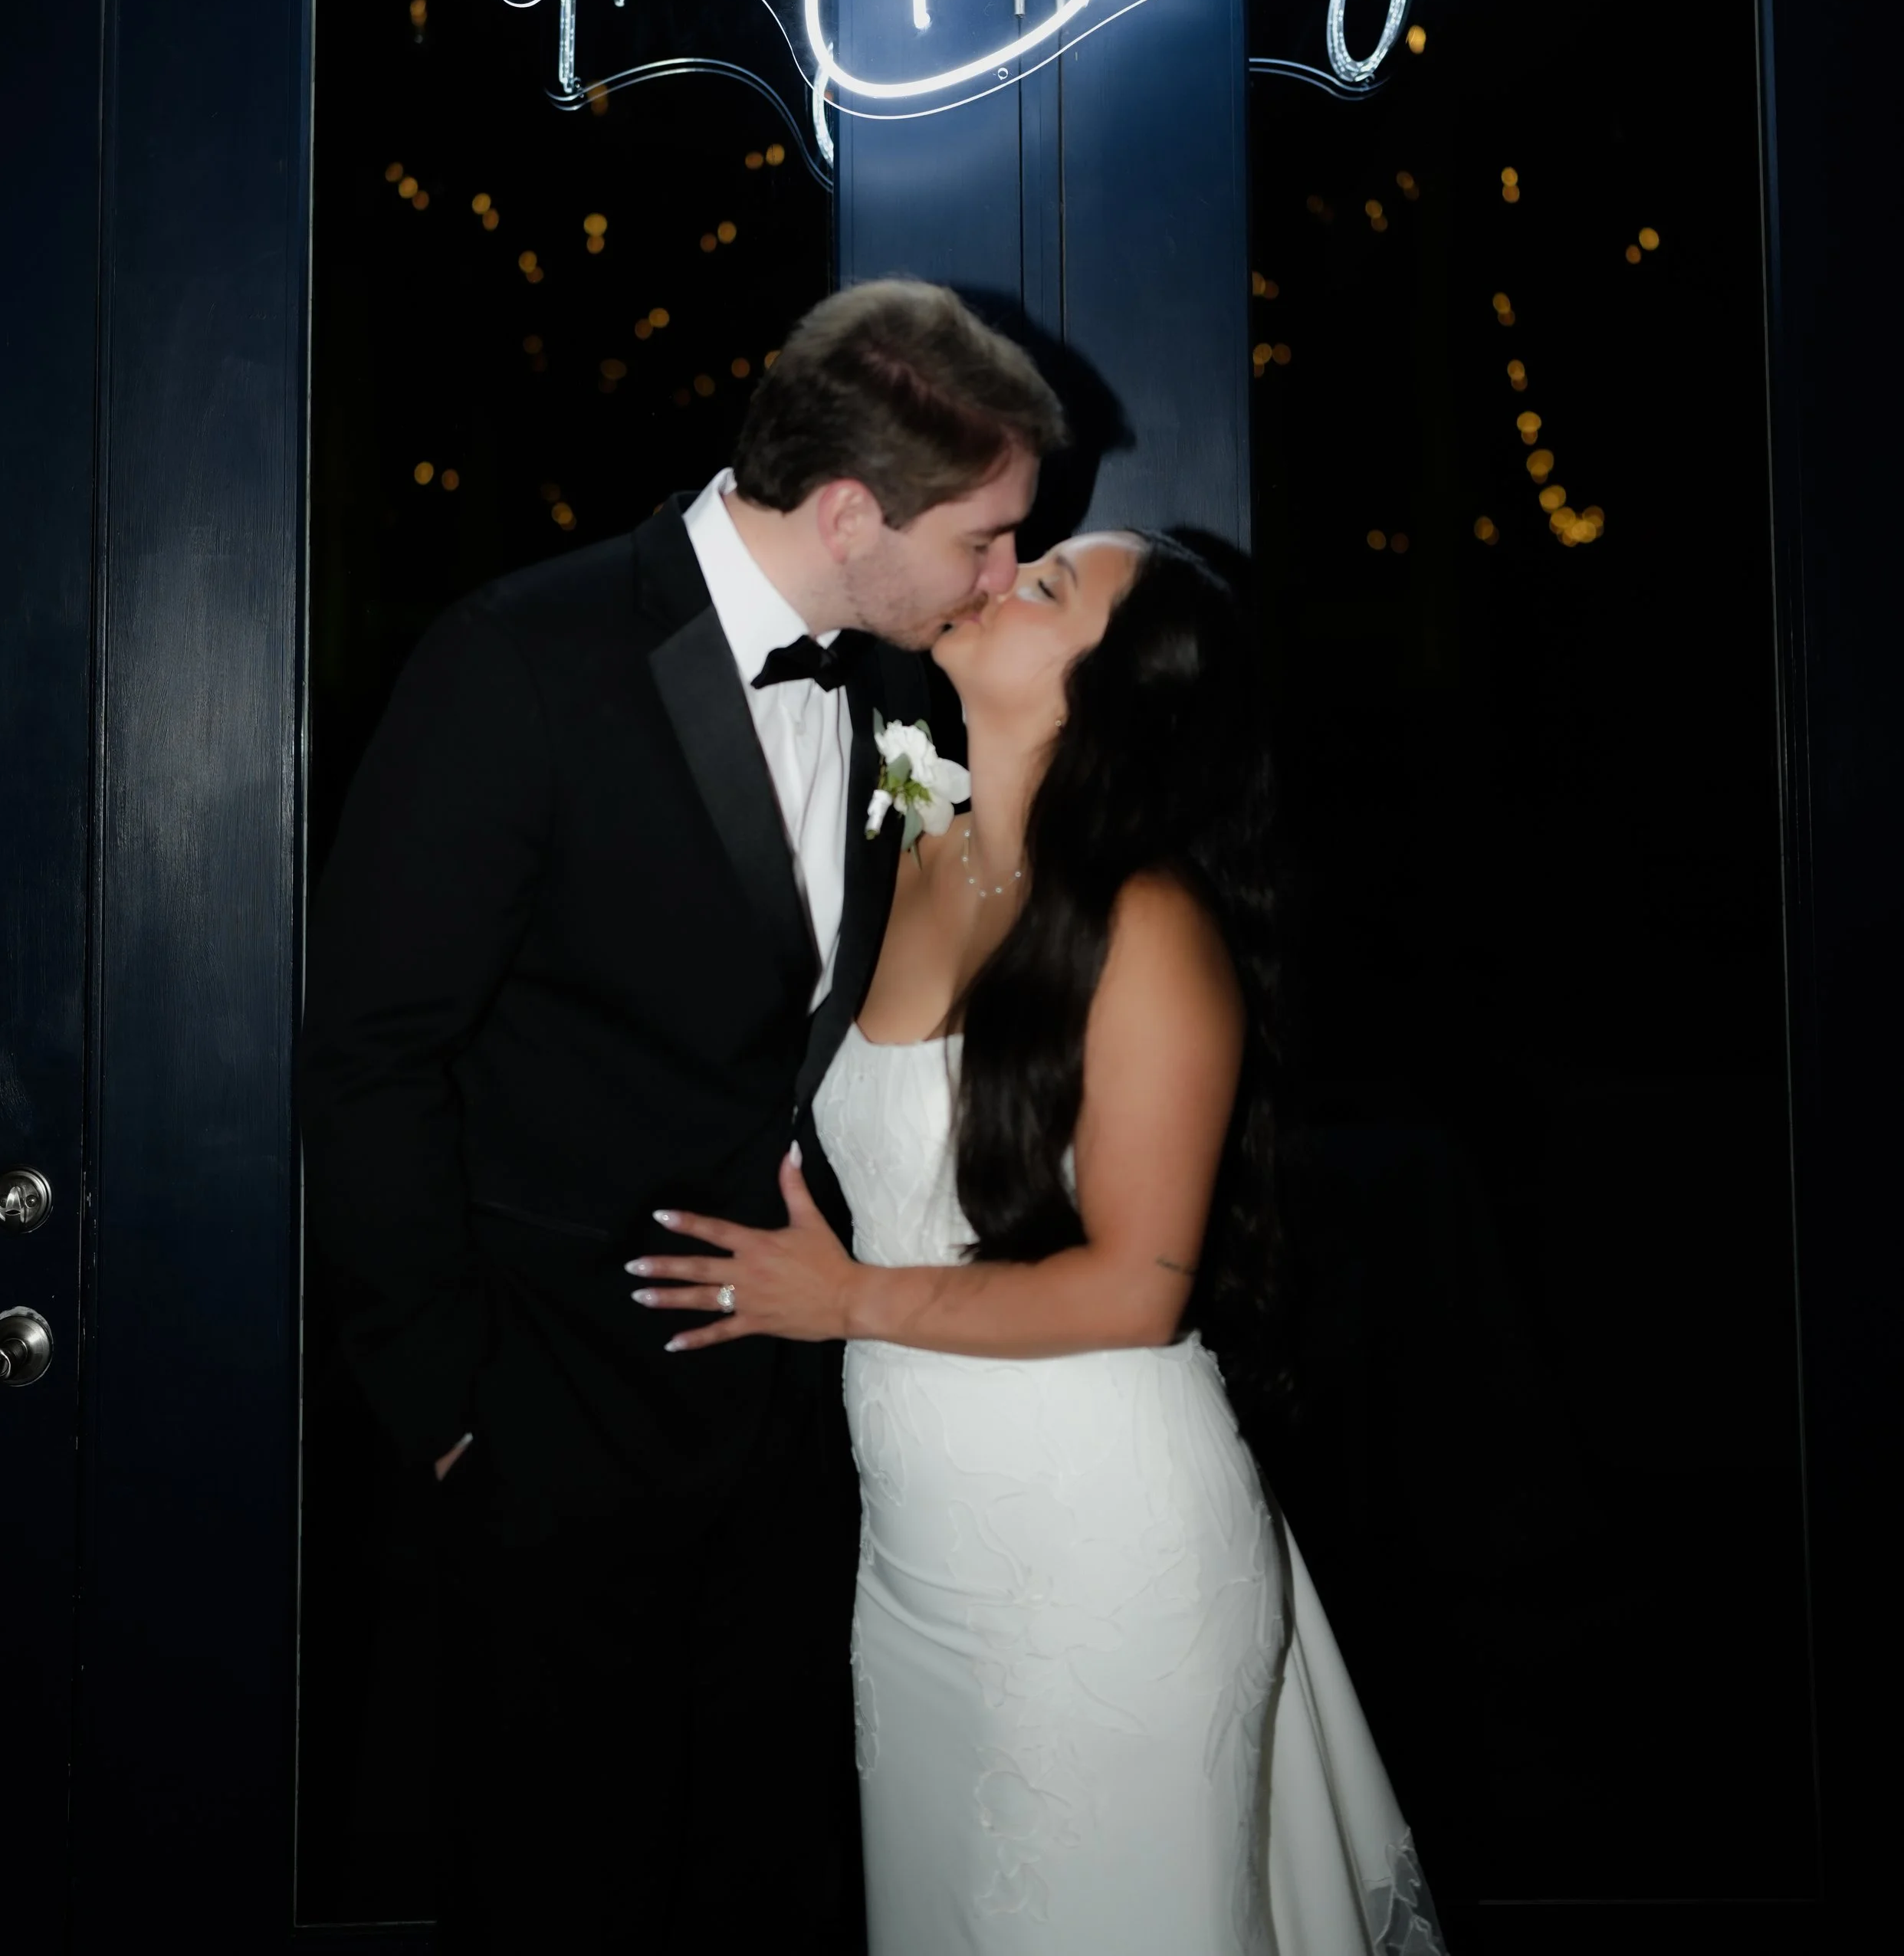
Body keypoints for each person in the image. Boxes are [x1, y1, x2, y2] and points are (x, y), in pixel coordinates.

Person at [300, 277, 1066, 1955]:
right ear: (851, 511)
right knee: (548, 1887)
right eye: (987, 539)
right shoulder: (520, 658)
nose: (1002, 578)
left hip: (791, 1447)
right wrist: (446, 1404)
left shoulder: (898, 691)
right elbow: (370, 1050)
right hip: (546, 1428)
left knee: (757, 1888)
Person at [630, 530, 1448, 1954]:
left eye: (1048, 586)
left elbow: (1140, 1286)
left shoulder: (1148, 921)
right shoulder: (910, 831)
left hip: (1105, 1569)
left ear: (1111, 694)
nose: (1001, 571)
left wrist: (844, 1297)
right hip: (917, 1567)